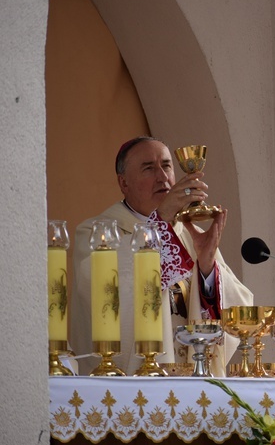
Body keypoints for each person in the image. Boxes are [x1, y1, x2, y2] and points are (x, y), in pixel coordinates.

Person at [70, 136, 254, 375]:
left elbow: (239, 305)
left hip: (193, 380)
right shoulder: (98, 232)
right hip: (132, 384)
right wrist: (161, 218)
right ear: (123, 183)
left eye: (166, 166)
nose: (162, 176)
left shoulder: (189, 233)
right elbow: (101, 294)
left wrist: (207, 269)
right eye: (148, 168)